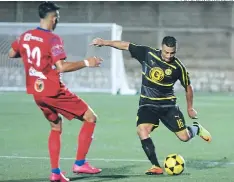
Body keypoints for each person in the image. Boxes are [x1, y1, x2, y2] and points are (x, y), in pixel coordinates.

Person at [90, 36, 212, 175]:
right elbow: (126, 45)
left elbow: (188, 87)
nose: (168, 56)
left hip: (168, 106)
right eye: (166, 52)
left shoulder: (178, 67)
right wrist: (104, 42)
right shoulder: (148, 54)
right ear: (161, 47)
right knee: (142, 130)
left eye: (172, 53)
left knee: (184, 137)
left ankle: (196, 129)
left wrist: (190, 107)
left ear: (175, 51)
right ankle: (156, 166)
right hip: (147, 104)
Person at [9, 2, 102, 182]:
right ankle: (80, 163)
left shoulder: (25, 36)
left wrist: (31, 59)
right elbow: (62, 67)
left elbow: (12, 54)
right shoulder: (52, 39)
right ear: (53, 18)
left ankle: (55, 173)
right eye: (57, 17)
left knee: (55, 126)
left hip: (36, 92)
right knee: (91, 117)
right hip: (53, 90)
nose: (57, 20)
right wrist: (87, 62)